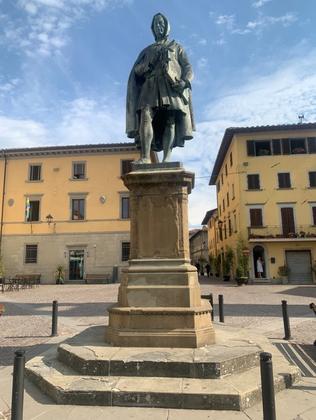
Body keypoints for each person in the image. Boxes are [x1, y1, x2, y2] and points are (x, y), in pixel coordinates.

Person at [126, 13, 195, 163]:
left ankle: (167, 158)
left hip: (170, 86)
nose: (159, 27)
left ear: (167, 26)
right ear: (152, 28)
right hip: (149, 86)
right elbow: (137, 71)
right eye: (156, 24)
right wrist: (147, 65)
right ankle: (145, 157)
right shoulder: (146, 51)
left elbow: (187, 67)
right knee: (145, 115)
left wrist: (185, 81)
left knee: (170, 120)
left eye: (161, 24)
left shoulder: (177, 47)